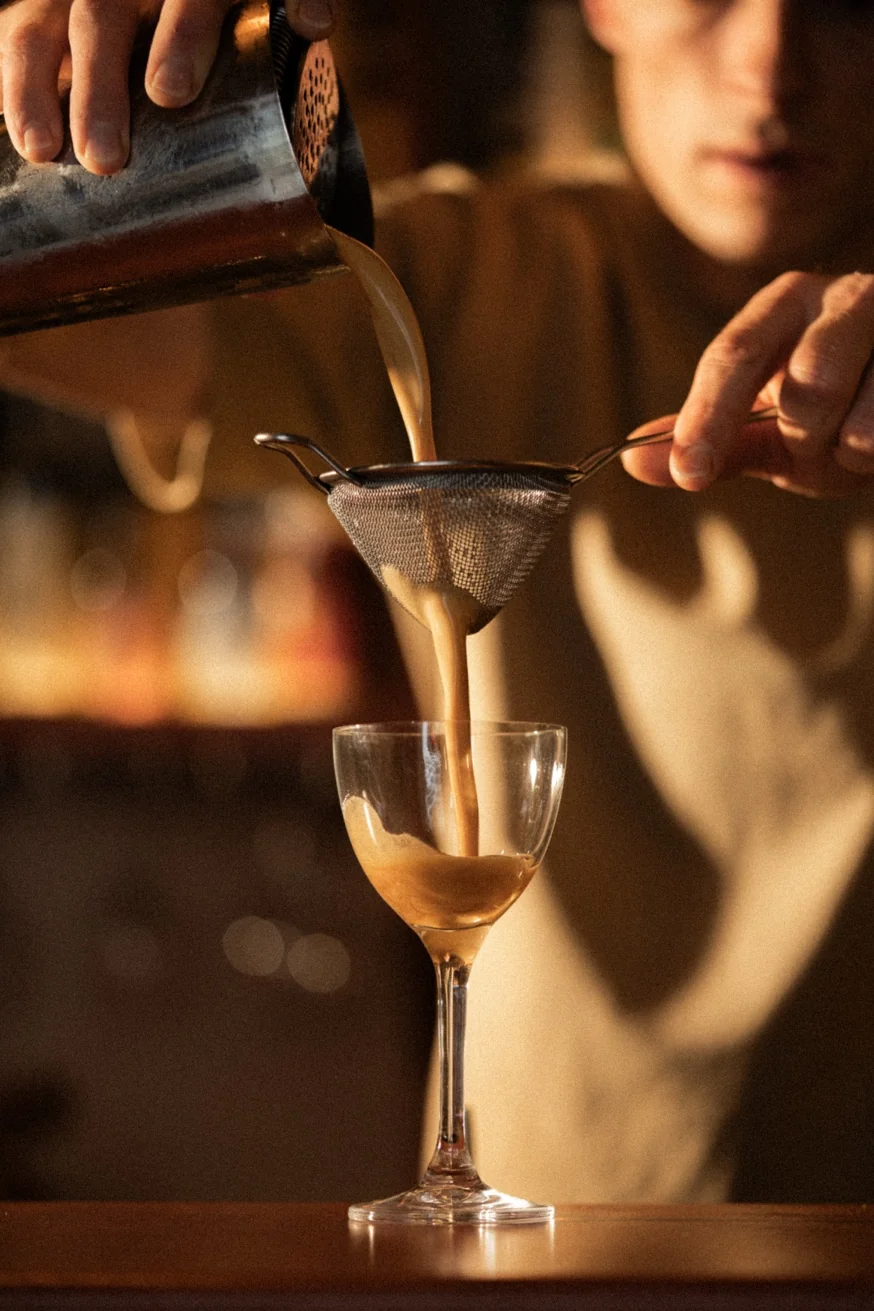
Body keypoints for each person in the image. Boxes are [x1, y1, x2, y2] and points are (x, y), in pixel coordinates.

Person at [1, 0, 874, 1202]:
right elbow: (70, 325)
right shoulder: (473, 276)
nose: (771, 61)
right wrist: (39, 115)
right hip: (547, 1230)